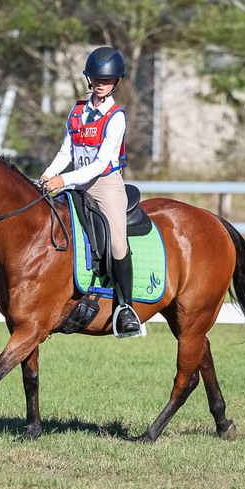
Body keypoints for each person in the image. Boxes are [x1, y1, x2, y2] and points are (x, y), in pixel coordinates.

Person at [39, 46, 141, 336]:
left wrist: (63, 180)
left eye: (106, 80)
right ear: (89, 79)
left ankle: (126, 308)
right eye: (96, 78)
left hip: (105, 186)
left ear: (116, 82)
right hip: (75, 182)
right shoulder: (77, 112)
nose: (100, 83)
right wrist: (47, 175)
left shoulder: (116, 116)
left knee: (118, 243)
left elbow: (99, 165)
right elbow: (66, 152)